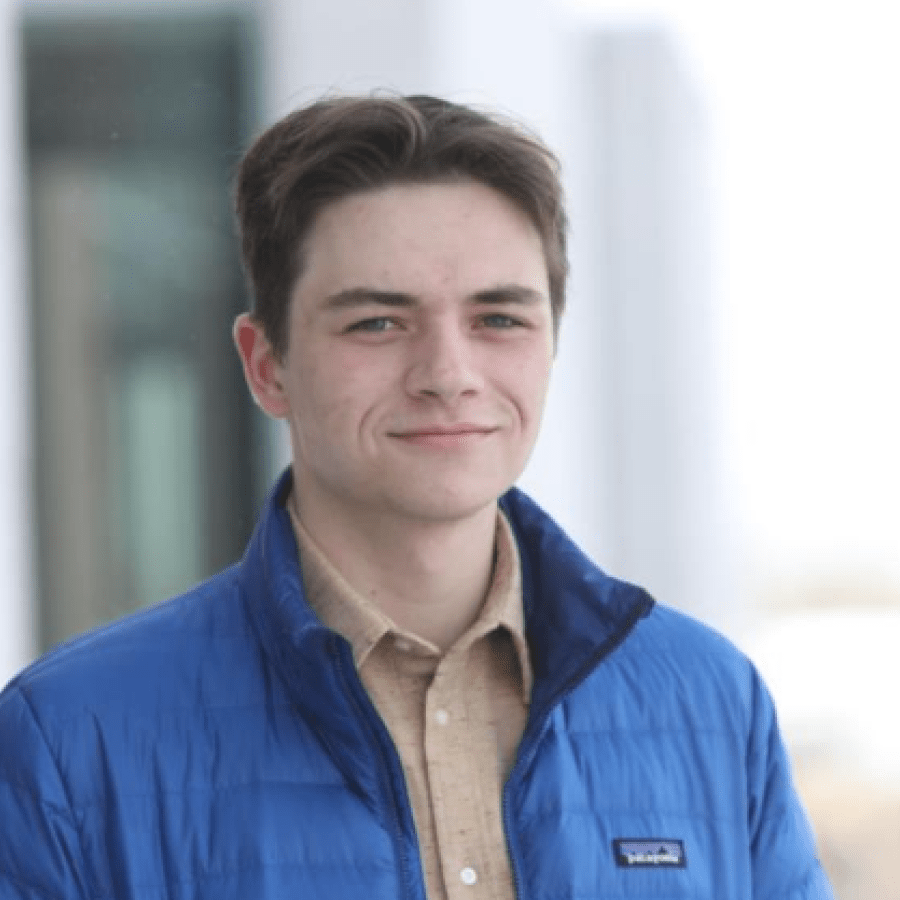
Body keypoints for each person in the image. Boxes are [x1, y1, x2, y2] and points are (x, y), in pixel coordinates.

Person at [0, 95, 832, 900]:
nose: (447, 375)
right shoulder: (71, 738)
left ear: (550, 345)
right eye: (377, 323)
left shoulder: (710, 701)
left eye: (499, 319)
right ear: (267, 365)